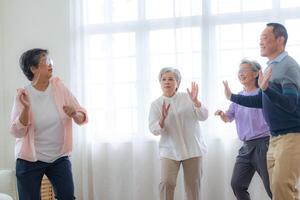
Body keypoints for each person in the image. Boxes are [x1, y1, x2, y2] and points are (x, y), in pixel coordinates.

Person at [223, 23, 300, 200]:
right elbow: (262, 100)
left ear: (280, 40)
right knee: (281, 189)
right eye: (260, 39)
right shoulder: (271, 66)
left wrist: (266, 90)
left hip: (291, 136)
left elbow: (290, 104)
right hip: (275, 139)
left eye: (264, 38)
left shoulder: (288, 67)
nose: (260, 42)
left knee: (281, 187)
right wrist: (232, 97)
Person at [10, 48, 88, 200]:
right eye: (45, 62)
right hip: (29, 160)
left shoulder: (59, 87)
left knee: (67, 197)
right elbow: (17, 132)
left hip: (58, 157)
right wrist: (26, 109)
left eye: (50, 61)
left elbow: (81, 116)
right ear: (33, 69)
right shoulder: (23, 95)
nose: (50, 65)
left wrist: (74, 113)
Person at [215, 59, 272, 200]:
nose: (240, 74)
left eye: (244, 71)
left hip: (263, 144)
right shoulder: (238, 97)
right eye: (239, 71)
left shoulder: (262, 94)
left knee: (271, 186)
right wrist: (222, 114)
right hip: (246, 147)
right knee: (237, 184)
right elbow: (229, 118)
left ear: (255, 73)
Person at [148, 67, 208, 200]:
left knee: (193, 187)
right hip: (169, 151)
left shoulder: (188, 98)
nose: (167, 82)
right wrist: (162, 119)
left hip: (193, 149)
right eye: (163, 79)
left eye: (171, 79)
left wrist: (196, 102)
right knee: (166, 183)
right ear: (160, 83)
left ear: (177, 82)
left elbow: (203, 116)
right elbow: (154, 130)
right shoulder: (156, 104)